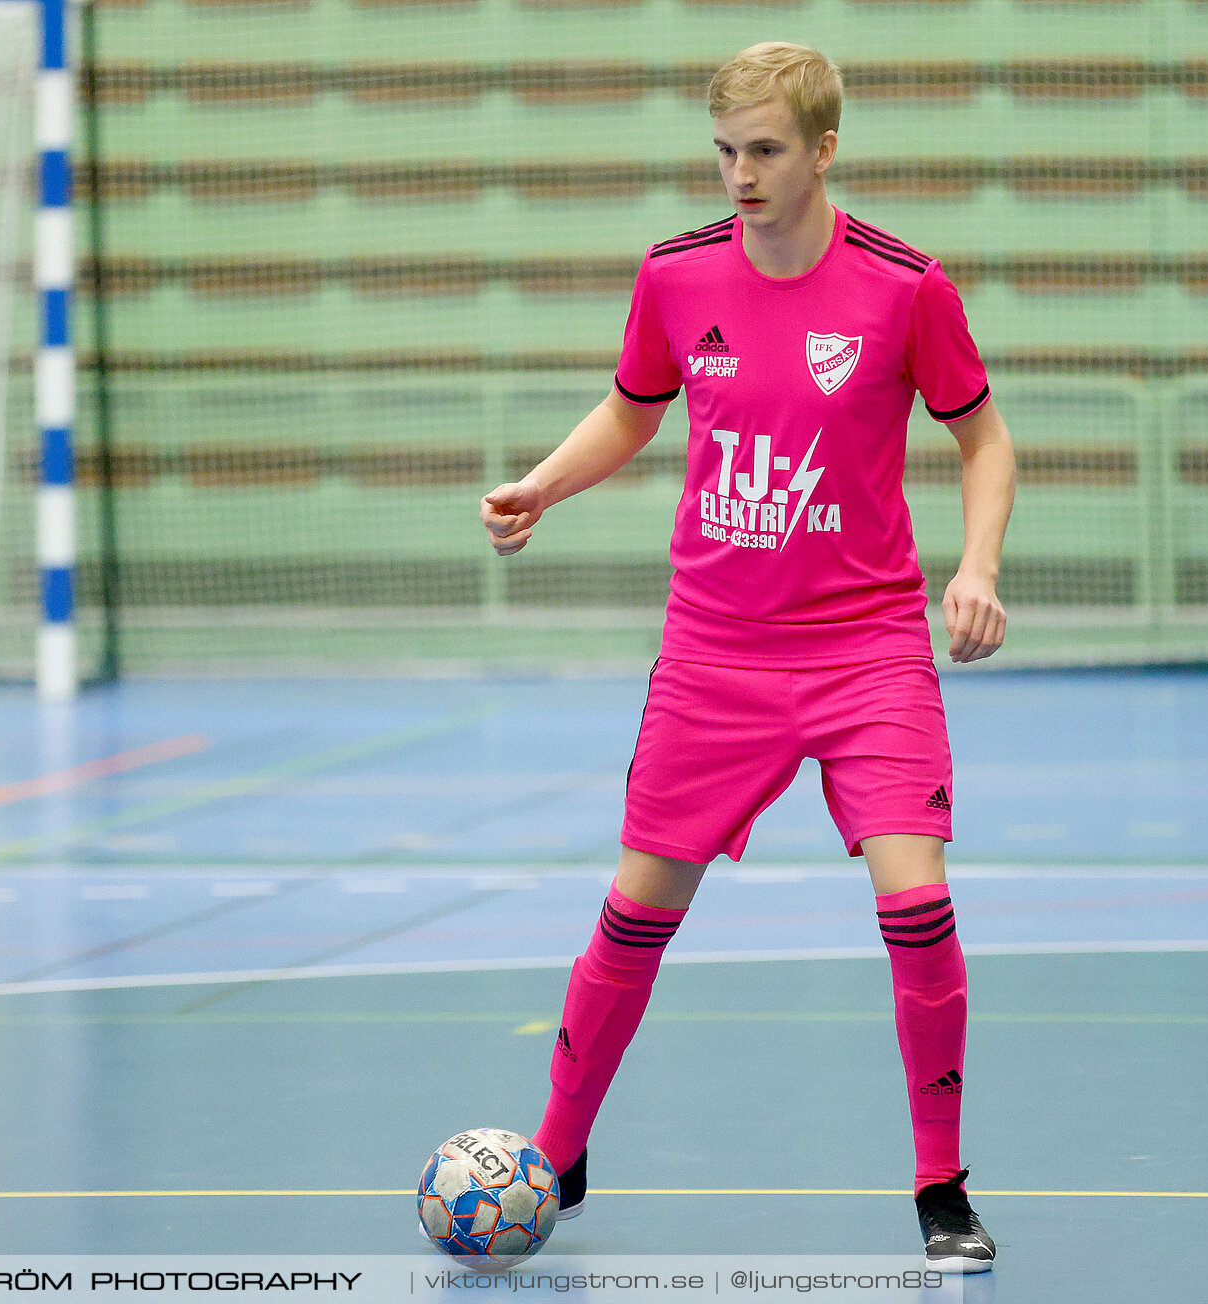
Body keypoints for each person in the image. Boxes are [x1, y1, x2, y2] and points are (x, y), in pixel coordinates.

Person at [479, 42, 1014, 1273]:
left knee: (916, 897)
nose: (739, 176)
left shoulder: (905, 287)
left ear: (823, 149)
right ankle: (556, 1153)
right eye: (725, 152)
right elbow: (633, 404)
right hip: (715, 651)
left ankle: (940, 1180)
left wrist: (975, 567)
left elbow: (985, 441)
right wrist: (547, 487)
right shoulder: (675, 276)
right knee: (634, 911)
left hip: (867, 644)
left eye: (765, 151)